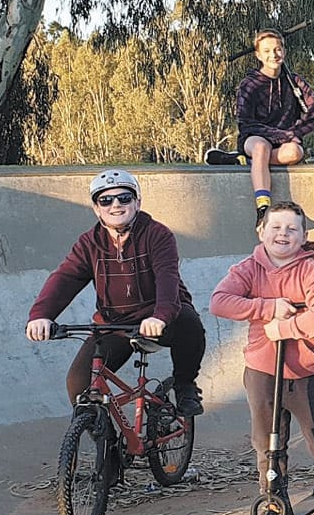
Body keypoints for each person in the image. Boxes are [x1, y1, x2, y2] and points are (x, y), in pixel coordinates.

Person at [210, 201, 314, 515]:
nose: (283, 234)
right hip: (263, 368)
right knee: (268, 441)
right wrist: (268, 308)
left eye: (292, 229)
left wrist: (287, 328)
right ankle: (274, 498)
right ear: (262, 232)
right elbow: (221, 301)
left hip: (308, 371)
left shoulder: (311, 271)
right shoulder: (248, 268)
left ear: (304, 236)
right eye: (276, 227)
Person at [26, 169, 206, 417]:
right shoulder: (89, 243)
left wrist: (160, 316)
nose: (116, 205)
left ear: (137, 202)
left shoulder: (157, 235)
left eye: (124, 198)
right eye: (106, 200)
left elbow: (168, 278)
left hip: (158, 318)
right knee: (79, 386)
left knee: (189, 322)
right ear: (96, 208)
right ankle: (108, 450)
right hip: (115, 324)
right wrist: (41, 315)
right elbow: (66, 278)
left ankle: (185, 386)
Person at [212, 30, 314, 224]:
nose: (273, 55)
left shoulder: (294, 81)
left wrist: (295, 133)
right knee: (261, 148)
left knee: (295, 153)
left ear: (284, 51)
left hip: (284, 142)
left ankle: (246, 162)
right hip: (255, 137)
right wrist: (281, 135)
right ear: (258, 55)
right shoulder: (249, 85)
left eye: (277, 49)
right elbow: (246, 123)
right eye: (267, 51)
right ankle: (263, 208)